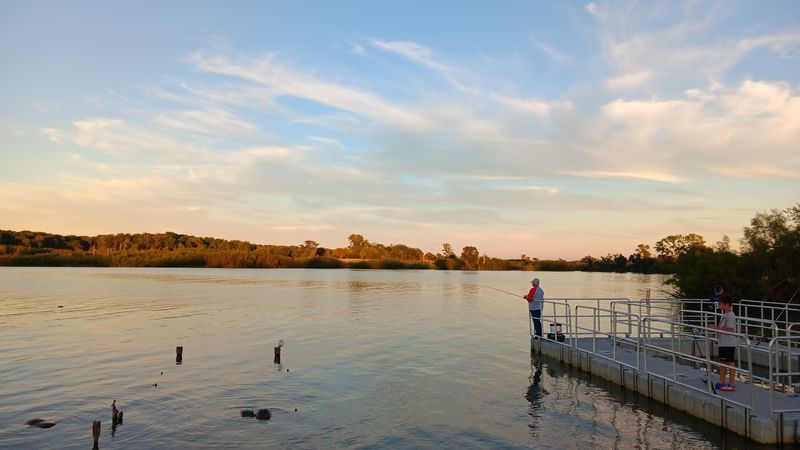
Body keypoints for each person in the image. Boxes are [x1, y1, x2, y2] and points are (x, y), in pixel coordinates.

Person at [710, 294, 737, 391]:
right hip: (723, 343)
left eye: (721, 304)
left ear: (727, 304)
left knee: (730, 363)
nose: (719, 306)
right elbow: (721, 327)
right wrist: (714, 327)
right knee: (722, 363)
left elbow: (730, 329)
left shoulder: (731, 316)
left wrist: (718, 328)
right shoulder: (724, 315)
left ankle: (732, 384)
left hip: (728, 343)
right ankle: (721, 382)